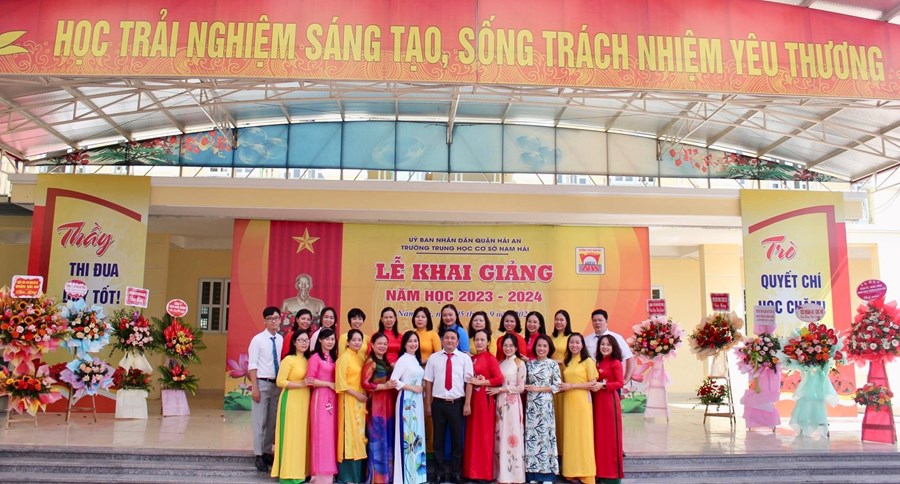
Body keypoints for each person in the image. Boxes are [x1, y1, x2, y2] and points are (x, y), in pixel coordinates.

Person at [424, 329, 474, 484]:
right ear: (442, 340)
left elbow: (469, 382)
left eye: (453, 338)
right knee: (438, 440)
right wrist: (428, 404)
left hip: (457, 404)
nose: (450, 340)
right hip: (438, 404)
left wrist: (467, 403)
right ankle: (438, 473)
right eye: (447, 338)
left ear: (458, 342)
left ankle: (456, 473)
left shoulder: (465, 359)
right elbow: (428, 382)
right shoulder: (434, 358)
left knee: (457, 440)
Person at [461, 329, 503, 482]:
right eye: (477, 340)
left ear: (488, 342)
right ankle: (470, 472)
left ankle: (484, 474)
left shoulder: (491, 359)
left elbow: (499, 378)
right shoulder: (471, 359)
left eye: (482, 340)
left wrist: (481, 382)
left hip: (484, 402)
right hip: (471, 400)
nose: (479, 342)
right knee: (471, 436)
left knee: (483, 436)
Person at [272, 331, 312, 483]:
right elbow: (280, 381)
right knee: (291, 436)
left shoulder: (309, 360)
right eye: (300, 340)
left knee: (302, 436)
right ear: (294, 342)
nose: (304, 343)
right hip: (291, 400)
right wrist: (301, 384)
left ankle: (302, 471)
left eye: (306, 340)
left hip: (305, 401)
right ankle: (289, 473)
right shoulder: (288, 360)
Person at [559, 333, 598, 484]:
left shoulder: (588, 361)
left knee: (583, 436)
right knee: (571, 435)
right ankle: (571, 471)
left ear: (582, 345)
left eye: (577, 342)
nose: (574, 345)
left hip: (582, 402)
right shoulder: (566, 362)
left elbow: (593, 384)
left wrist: (572, 386)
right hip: (568, 401)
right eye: (571, 342)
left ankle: (586, 473)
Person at [248, 307, 284, 472]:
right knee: (260, 421)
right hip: (262, 383)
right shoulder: (257, 340)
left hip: (276, 385)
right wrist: (255, 388)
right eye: (270, 318)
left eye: (276, 318)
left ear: (280, 319)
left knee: (272, 422)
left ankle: (267, 451)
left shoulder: (280, 339)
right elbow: (252, 365)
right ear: (265, 321)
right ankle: (258, 454)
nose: (274, 321)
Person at [391, 330, 428, 484]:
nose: (413, 344)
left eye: (415, 341)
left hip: (417, 402)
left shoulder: (415, 360)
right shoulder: (403, 360)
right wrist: (412, 388)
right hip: (406, 401)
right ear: (404, 344)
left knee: (417, 434)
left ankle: (416, 476)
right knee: (408, 436)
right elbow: (394, 381)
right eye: (410, 341)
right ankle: (405, 477)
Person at [524, 334, 561, 483]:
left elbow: (557, 386)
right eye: (539, 345)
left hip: (545, 406)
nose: (541, 348)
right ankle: (533, 474)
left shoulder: (553, 365)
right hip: (531, 406)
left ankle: (547, 475)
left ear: (549, 348)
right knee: (532, 438)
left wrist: (538, 389)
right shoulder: (530, 364)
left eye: (544, 346)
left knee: (545, 438)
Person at [491, 333, 526, 484]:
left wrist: (501, 390)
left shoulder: (520, 363)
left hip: (512, 403)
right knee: (500, 435)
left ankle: (514, 475)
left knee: (512, 436)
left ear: (516, 347)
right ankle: (500, 474)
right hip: (499, 403)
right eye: (505, 345)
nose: (508, 348)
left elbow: (521, 387)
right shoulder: (499, 363)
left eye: (511, 346)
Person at [362, 332, 397, 483]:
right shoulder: (371, 362)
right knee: (377, 440)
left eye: (385, 344)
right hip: (376, 406)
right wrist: (383, 386)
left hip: (388, 404)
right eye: (379, 343)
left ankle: (388, 475)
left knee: (388, 438)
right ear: (372, 345)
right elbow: (365, 383)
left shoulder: (386, 361)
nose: (382, 346)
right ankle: (377, 478)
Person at [335, 329, 368, 483]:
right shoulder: (344, 358)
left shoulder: (360, 358)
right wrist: (356, 394)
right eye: (353, 340)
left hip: (360, 404)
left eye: (359, 340)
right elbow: (340, 383)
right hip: (348, 400)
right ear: (347, 342)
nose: (356, 342)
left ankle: (357, 476)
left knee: (359, 437)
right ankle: (347, 476)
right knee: (348, 436)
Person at [307, 327, 338, 483]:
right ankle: (318, 473)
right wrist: (328, 384)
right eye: (327, 339)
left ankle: (329, 472)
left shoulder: (332, 358)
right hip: (320, 397)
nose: (330, 342)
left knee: (330, 434)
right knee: (321, 433)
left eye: (332, 339)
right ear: (320, 340)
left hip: (333, 398)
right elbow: (310, 380)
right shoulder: (315, 358)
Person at [592, 335, 625, 483]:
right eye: (602, 344)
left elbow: (620, 383)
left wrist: (603, 385)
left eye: (608, 345)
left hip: (609, 401)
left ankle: (612, 475)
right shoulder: (598, 362)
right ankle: (600, 472)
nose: (605, 347)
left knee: (610, 437)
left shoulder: (615, 363)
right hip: (598, 401)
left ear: (614, 347)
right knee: (600, 437)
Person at [410, 306, 441, 457]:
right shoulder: (411, 335)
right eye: (417, 316)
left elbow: (439, 355)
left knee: (428, 414)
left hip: (428, 377)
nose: (420, 319)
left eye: (423, 317)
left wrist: (423, 361)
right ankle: (415, 449)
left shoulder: (432, 334)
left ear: (428, 319)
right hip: (413, 377)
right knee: (415, 413)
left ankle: (430, 451)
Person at [584, 309, 635, 384]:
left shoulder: (616, 338)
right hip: (592, 381)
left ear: (606, 321)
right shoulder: (587, 340)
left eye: (600, 320)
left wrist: (626, 378)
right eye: (594, 321)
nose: (597, 323)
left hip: (612, 382)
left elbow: (629, 358)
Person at [550, 309, 572, 455]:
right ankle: (555, 450)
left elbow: (572, 357)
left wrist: (556, 362)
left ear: (567, 322)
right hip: (551, 376)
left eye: (561, 319)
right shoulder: (550, 337)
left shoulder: (571, 337)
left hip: (565, 376)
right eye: (556, 319)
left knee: (565, 413)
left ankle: (566, 450)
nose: (558, 322)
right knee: (553, 413)